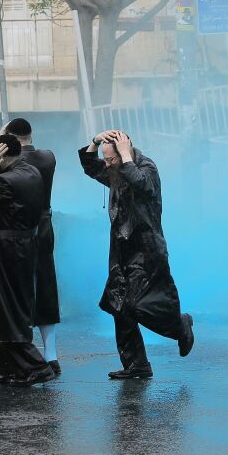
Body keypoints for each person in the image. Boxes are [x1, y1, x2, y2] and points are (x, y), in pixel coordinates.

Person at [80, 130, 195, 378]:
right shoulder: (115, 170)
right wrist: (95, 142)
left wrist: (125, 157)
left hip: (146, 249)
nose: (107, 164)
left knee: (142, 304)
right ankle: (136, 364)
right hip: (121, 248)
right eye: (106, 159)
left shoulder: (145, 167)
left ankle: (179, 325)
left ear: (125, 151)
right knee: (119, 305)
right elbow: (90, 167)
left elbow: (145, 186)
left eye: (111, 159)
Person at [0, 135, 56, 385]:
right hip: (20, 247)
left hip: (4, 249)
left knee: (5, 309)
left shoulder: (6, 180)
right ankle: (10, 368)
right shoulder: (31, 171)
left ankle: (37, 367)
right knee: (2, 307)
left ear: (2, 154)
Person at [2, 117, 62, 373]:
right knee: (46, 283)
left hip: (18, 229)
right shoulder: (47, 157)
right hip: (45, 225)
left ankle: (23, 349)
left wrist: (1, 138)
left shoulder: (11, 162)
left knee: (16, 287)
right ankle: (51, 354)